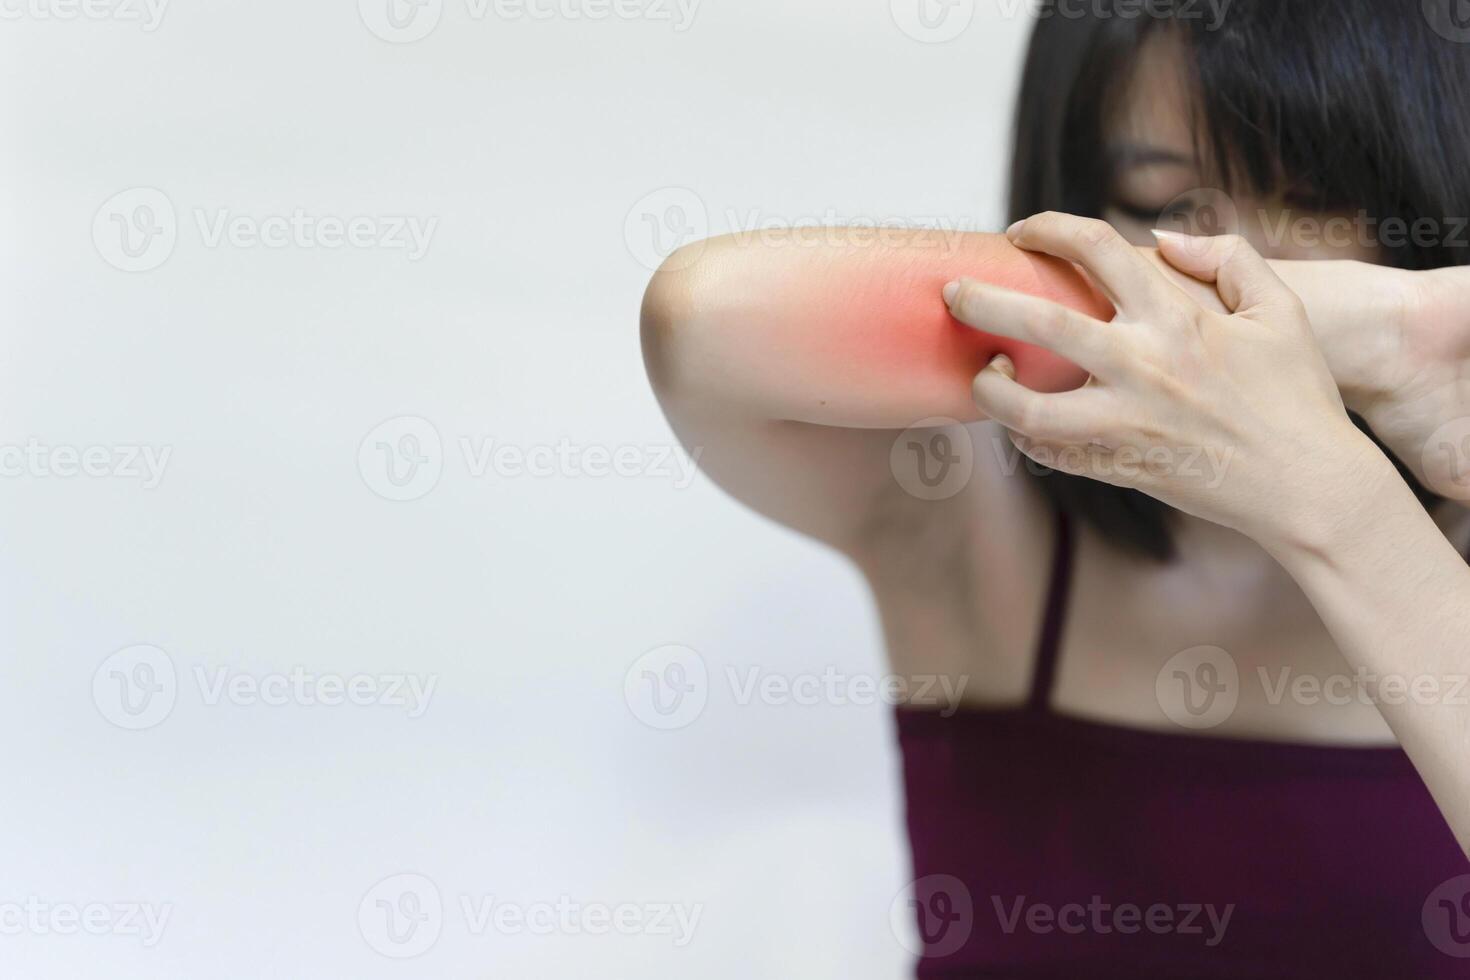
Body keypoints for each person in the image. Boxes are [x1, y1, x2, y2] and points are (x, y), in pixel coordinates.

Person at [641, 1, 1470, 973]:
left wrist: (1337, 499)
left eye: (1316, 195)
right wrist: (1379, 327)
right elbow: (705, 319)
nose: (1240, 259)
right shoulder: (961, 510)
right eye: (1164, 201)